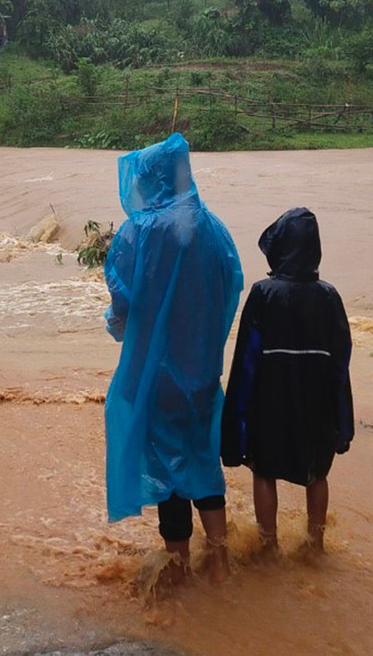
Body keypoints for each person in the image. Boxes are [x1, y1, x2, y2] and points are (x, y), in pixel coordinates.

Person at [103, 132, 243, 584]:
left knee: (165, 470)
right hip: (201, 370)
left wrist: (118, 325)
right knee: (201, 457)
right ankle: (221, 561)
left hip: (154, 375)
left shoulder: (136, 232)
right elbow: (231, 287)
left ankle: (180, 566)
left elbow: (122, 301)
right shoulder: (214, 227)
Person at [221, 207, 353, 558]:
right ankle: (316, 545)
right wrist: (343, 418)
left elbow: (246, 360)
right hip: (318, 401)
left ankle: (268, 547)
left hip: (271, 400)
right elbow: (342, 361)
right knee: (317, 472)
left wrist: (237, 418)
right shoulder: (329, 296)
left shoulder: (264, 293)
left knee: (264, 470)